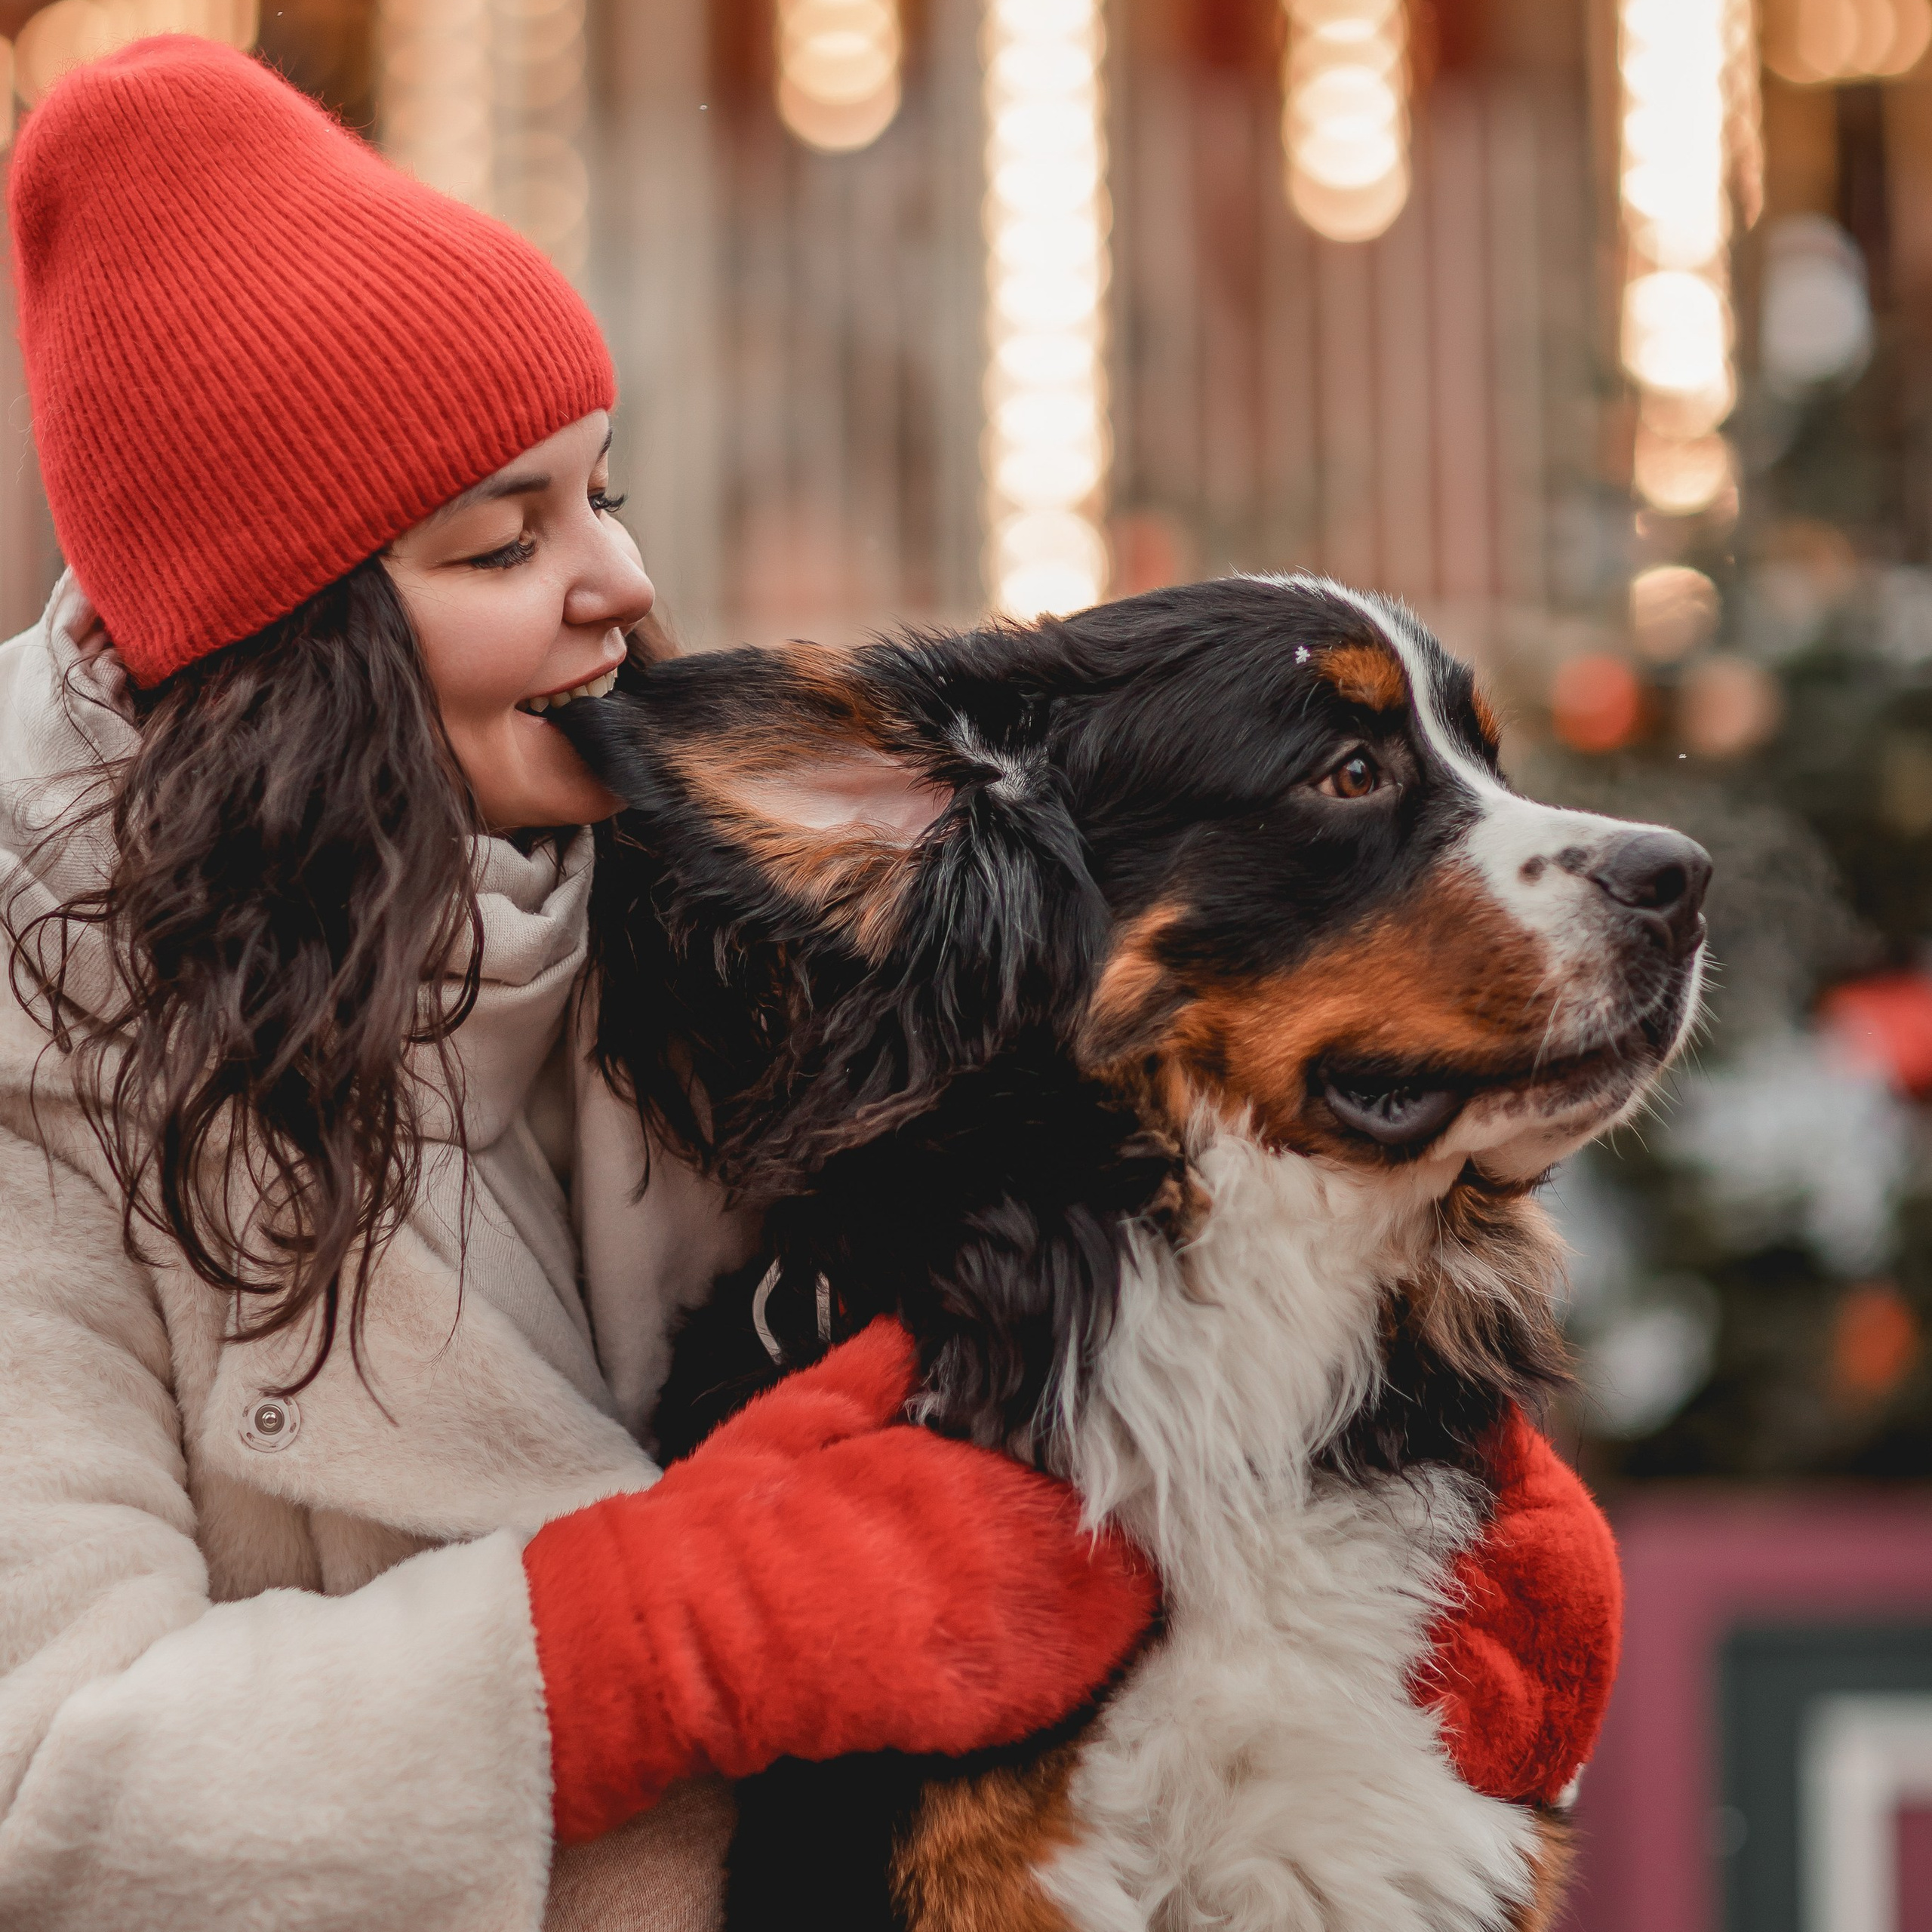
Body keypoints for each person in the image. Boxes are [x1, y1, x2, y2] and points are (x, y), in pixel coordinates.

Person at [0, 37, 1621, 1932]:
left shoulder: (721, 912)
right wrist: (657, 1633)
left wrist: (1416, 1495)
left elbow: (1136, 1262)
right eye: (502, 543)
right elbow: (48, 1786)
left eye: (604, 492)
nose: (612, 577)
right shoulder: (44, 1050)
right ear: (302, 646)